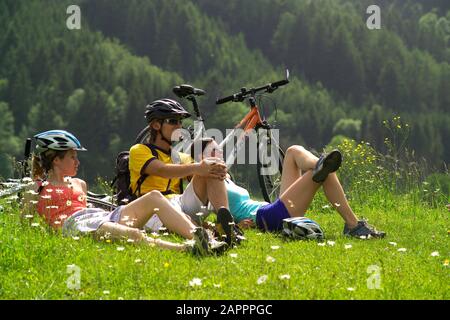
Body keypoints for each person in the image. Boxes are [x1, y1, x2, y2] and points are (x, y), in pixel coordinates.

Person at [23, 129, 226, 256]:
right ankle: (186, 249)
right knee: (132, 234)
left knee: (154, 197)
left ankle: (203, 238)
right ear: (56, 160)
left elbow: (87, 210)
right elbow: (27, 226)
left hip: (101, 216)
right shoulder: (38, 188)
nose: (77, 162)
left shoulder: (80, 183)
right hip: (75, 226)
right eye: (71, 157)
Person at [192, 138, 386, 238]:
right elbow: (199, 217)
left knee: (292, 151)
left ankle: (319, 164)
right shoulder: (207, 182)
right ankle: (353, 226)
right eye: (214, 151)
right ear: (201, 159)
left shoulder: (225, 180)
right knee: (327, 173)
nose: (220, 153)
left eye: (220, 149)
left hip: (269, 209)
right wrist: (232, 227)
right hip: (266, 218)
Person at [128, 99, 239, 245]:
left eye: (180, 121)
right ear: (156, 125)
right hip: (152, 208)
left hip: (179, 203)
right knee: (204, 168)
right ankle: (211, 233)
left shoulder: (181, 157)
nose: (179, 126)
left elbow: (202, 176)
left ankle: (225, 225)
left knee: (211, 168)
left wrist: (215, 169)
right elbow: (162, 170)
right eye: (173, 121)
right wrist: (198, 167)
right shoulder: (139, 150)